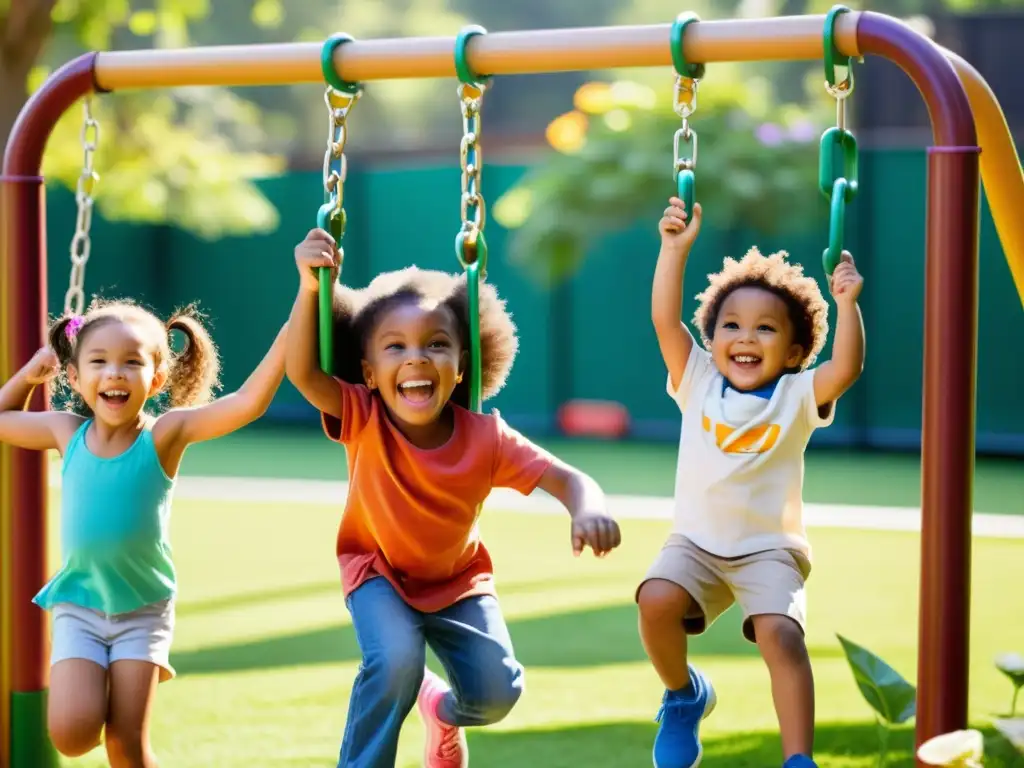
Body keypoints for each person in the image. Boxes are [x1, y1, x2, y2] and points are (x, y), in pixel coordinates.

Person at [285, 228, 623, 768]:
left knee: (497, 694)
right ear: (368, 372)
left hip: (458, 582)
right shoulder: (363, 416)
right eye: (395, 346)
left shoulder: (486, 437)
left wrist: (589, 507)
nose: (416, 358)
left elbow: (568, 479)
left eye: (436, 345)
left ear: (464, 364)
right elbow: (301, 371)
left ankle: (441, 710)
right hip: (378, 572)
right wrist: (309, 288)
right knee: (395, 662)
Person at [0, 298, 288, 768]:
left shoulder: (163, 436)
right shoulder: (64, 431)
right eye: (99, 362)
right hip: (80, 606)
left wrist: (297, 315)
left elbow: (247, 403)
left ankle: (116, 699)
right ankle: (92, 689)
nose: (114, 373)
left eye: (132, 363)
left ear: (156, 380)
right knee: (71, 736)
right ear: (74, 378)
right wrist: (29, 376)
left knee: (126, 747)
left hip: (142, 611)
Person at [639, 198, 865, 768]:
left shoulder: (796, 395)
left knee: (780, 637)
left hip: (769, 548)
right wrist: (674, 250)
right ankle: (683, 695)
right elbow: (665, 321)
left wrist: (847, 306)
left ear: (792, 351)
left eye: (765, 329)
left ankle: (798, 759)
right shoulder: (697, 379)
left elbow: (846, 370)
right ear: (712, 338)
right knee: (655, 600)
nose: (745, 337)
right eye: (732, 326)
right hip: (696, 541)